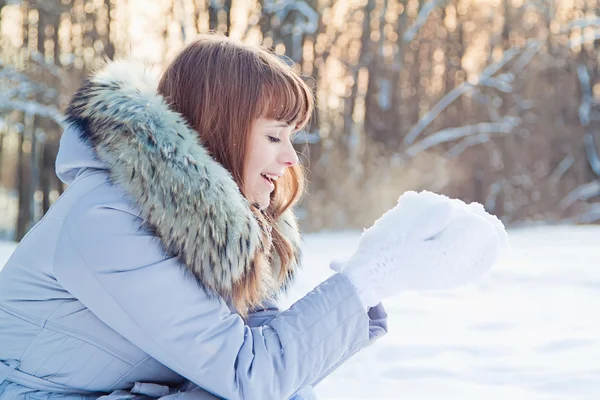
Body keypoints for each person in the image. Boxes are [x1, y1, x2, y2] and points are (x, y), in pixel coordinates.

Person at [0, 34, 508, 400]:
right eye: (273, 136)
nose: (290, 158)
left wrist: (381, 279)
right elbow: (252, 377)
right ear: (217, 128)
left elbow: (266, 358)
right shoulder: (109, 222)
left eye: (292, 138)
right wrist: (371, 275)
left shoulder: (207, 227)